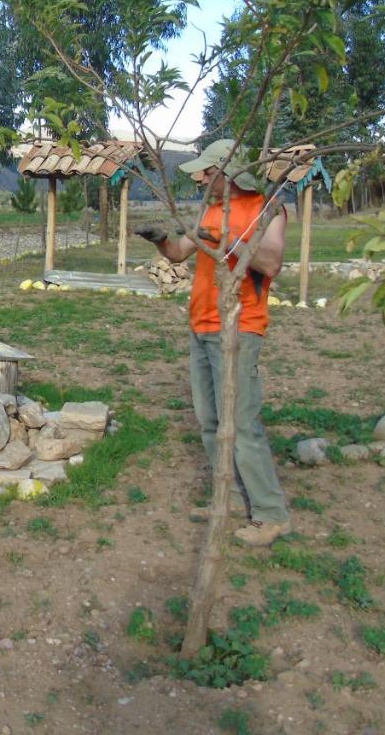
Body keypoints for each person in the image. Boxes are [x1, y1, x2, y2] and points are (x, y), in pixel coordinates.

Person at [135, 139, 292, 547]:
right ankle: (231, 500)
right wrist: (160, 240)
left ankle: (271, 513)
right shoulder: (211, 208)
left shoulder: (269, 209)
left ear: (232, 170)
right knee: (209, 420)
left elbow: (271, 262)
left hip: (238, 327)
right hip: (201, 324)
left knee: (240, 423)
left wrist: (225, 240)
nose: (202, 177)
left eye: (208, 171)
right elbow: (178, 254)